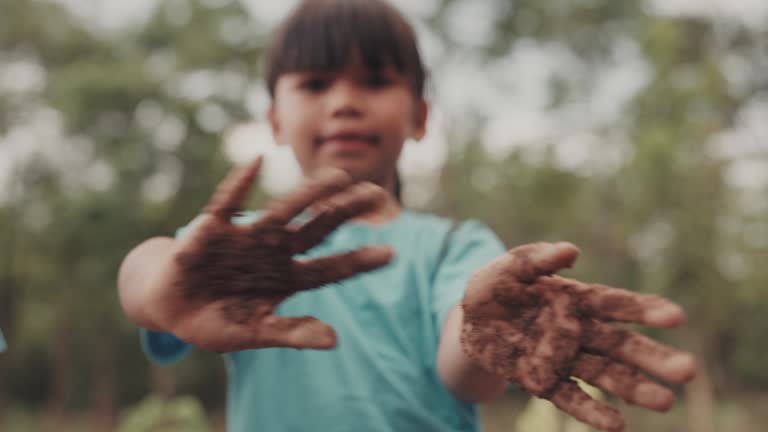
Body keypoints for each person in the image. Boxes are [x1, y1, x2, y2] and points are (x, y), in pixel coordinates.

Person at [117, 1, 696, 431]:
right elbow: (146, 275)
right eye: (316, 83)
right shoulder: (239, 251)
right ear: (273, 117)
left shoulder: (456, 249)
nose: (344, 101)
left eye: (374, 80)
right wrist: (161, 282)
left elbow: (464, 361)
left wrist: (485, 333)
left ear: (419, 115)